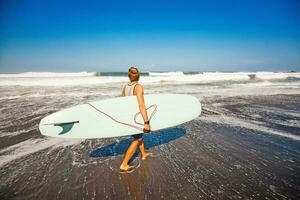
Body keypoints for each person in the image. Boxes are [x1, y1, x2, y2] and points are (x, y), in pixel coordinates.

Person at [119, 67, 152, 172]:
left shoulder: (124, 88)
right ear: (138, 76)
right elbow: (141, 104)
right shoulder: (138, 87)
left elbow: (123, 103)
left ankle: (144, 154)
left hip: (129, 117)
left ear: (129, 76)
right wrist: (147, 122)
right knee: (137, 140)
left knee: (139, 136)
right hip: (137, 117)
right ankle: (124, 164)